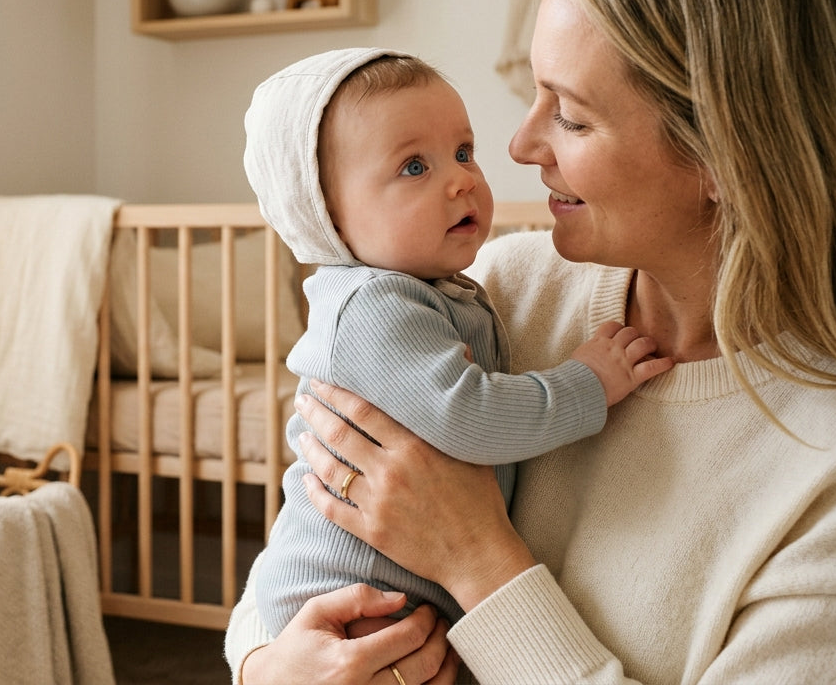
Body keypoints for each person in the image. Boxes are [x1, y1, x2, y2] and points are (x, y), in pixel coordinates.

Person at [225, 0, 836, 683]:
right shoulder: (492, 292)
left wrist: (477, 558)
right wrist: (267, 667)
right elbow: (303, 543)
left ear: (726, 153)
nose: (517, 147)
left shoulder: (819, 475)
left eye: (572, 115)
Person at [241, 47, 671, 636]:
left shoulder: (439, 292)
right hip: (346, 600)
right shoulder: (373, 307)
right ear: (331, 218)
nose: (463, 179)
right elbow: (470, 416)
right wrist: (587, 383)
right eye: (414, 167)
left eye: (463, 152)